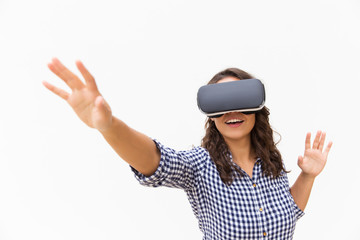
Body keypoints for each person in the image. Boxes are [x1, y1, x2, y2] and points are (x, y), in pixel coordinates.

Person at [43, 58, 333, 240]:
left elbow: (288, 213)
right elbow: (155, 161)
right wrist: (109, 126)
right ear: (211, 115)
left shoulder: (270, 163)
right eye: (221, 105)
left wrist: (307, 176)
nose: (232, 111)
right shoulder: (199, 165)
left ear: (257, 109)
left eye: (240, 100)